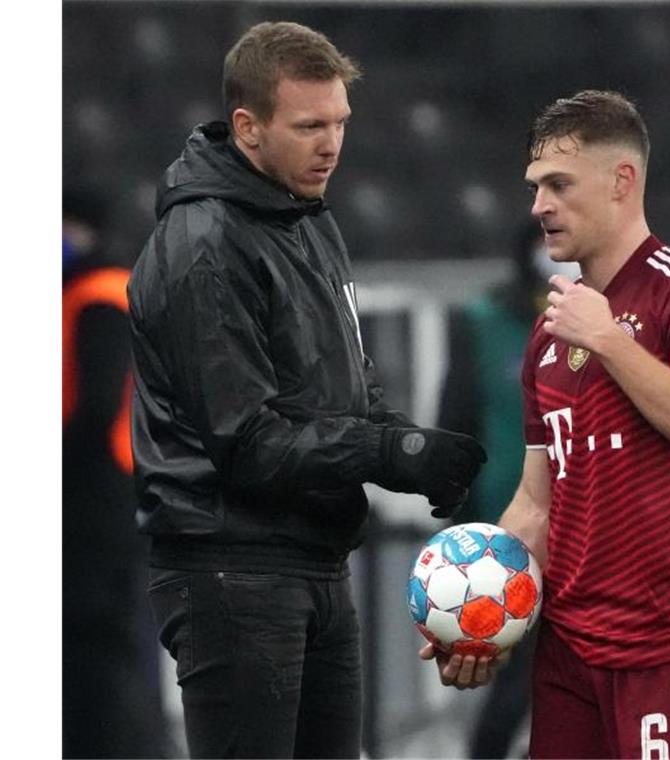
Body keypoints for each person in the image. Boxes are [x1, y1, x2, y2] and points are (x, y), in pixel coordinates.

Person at [127, 21, 486, 759]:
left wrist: (412, 458)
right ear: (247, 128)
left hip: (315, 560)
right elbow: (247, 442)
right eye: (309, 125)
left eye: (341, 123)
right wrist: (392, 450)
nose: (332, 144)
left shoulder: (311, 222)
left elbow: (351, 390)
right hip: (231, 567)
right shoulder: (204, 246)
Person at [421, 90, 670, 759]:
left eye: (560, 185)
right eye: (537, 186)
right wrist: (476, 614)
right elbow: (536, 502)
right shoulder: (549, 333)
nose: (540, 205)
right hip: (570, 647)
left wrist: (612, 341)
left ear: (622, 181)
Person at [437, 222, 579, 759]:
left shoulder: (603, 326)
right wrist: (458, 540)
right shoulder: (481, 323)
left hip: (586, 537)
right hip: (503, 542)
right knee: (509, 689)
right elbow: (454, 430)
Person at [63, 190, 169, 758]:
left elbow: (97, 406)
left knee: (104, 670)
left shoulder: (98, 295)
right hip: (101, 508)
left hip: (94, 511)